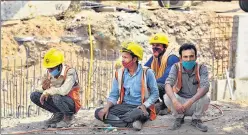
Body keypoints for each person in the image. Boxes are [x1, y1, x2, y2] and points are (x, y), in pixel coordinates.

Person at [95, 42, 159, 131]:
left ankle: (118, 121)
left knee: (135, 114)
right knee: (98, 112)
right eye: (122, 57)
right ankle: (132, 123)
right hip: (124, 106)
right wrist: (106, 108)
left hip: (140, 107)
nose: (123, 60)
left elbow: (155, 94)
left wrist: (145, 105)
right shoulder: (120, 73)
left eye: (126, 57)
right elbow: (114, 95)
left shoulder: (147, 72)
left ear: (134, 59)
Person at [164, 43, 210, 132]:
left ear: (196, 57)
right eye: (185, 57)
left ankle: (196, 119)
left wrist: (190, 101)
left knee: (206, 97)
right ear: (181, 58)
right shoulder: (176, 67)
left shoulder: (201, 68)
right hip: (179, 104)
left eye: (191, 56)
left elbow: (205, 86)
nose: (188, 60)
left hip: (195, 103)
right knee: (167, 97)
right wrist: (175, 101)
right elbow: (168, 84)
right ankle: (179, 118)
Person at [30, 48, 81, 128]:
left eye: (52, 68)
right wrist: (43, 88)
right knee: (34, 95)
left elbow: (64, 91)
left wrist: (48, 92)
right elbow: (39, 89)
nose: (49, 70)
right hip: (57, 100)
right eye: (48, 68)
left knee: (56, 96)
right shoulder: (49, 73)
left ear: (59, 65)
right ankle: (58, 114)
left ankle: (69, 117)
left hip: (71, 103)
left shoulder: (70, 72)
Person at [144, 33, 179, 115]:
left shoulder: (172, 57)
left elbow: (166, 79)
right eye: (153, 45)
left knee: (157, 85)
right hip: (164, 87)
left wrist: (149, 84)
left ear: (165, 47)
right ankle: (159, 105)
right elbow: (143, 70)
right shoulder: (154, 58)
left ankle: (168, 106)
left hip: (176, 90)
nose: (154, 47)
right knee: (144, 84)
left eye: (158, 45)